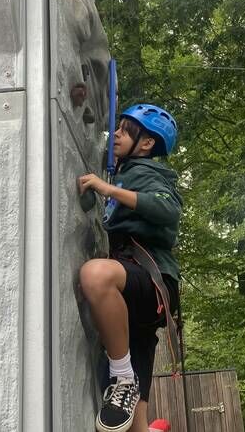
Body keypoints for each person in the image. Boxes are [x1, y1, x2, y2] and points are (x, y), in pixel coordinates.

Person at [78, 104, 182, 432]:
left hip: (152, 279)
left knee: (96, 274)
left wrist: (108, 189)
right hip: (134, 297)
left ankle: (123, 378)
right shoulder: (126, 171)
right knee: (136, 425)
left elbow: (168, 210)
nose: (116, 135)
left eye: (125, 130)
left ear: (146, 143)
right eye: (117, 128)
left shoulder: (147, 172)